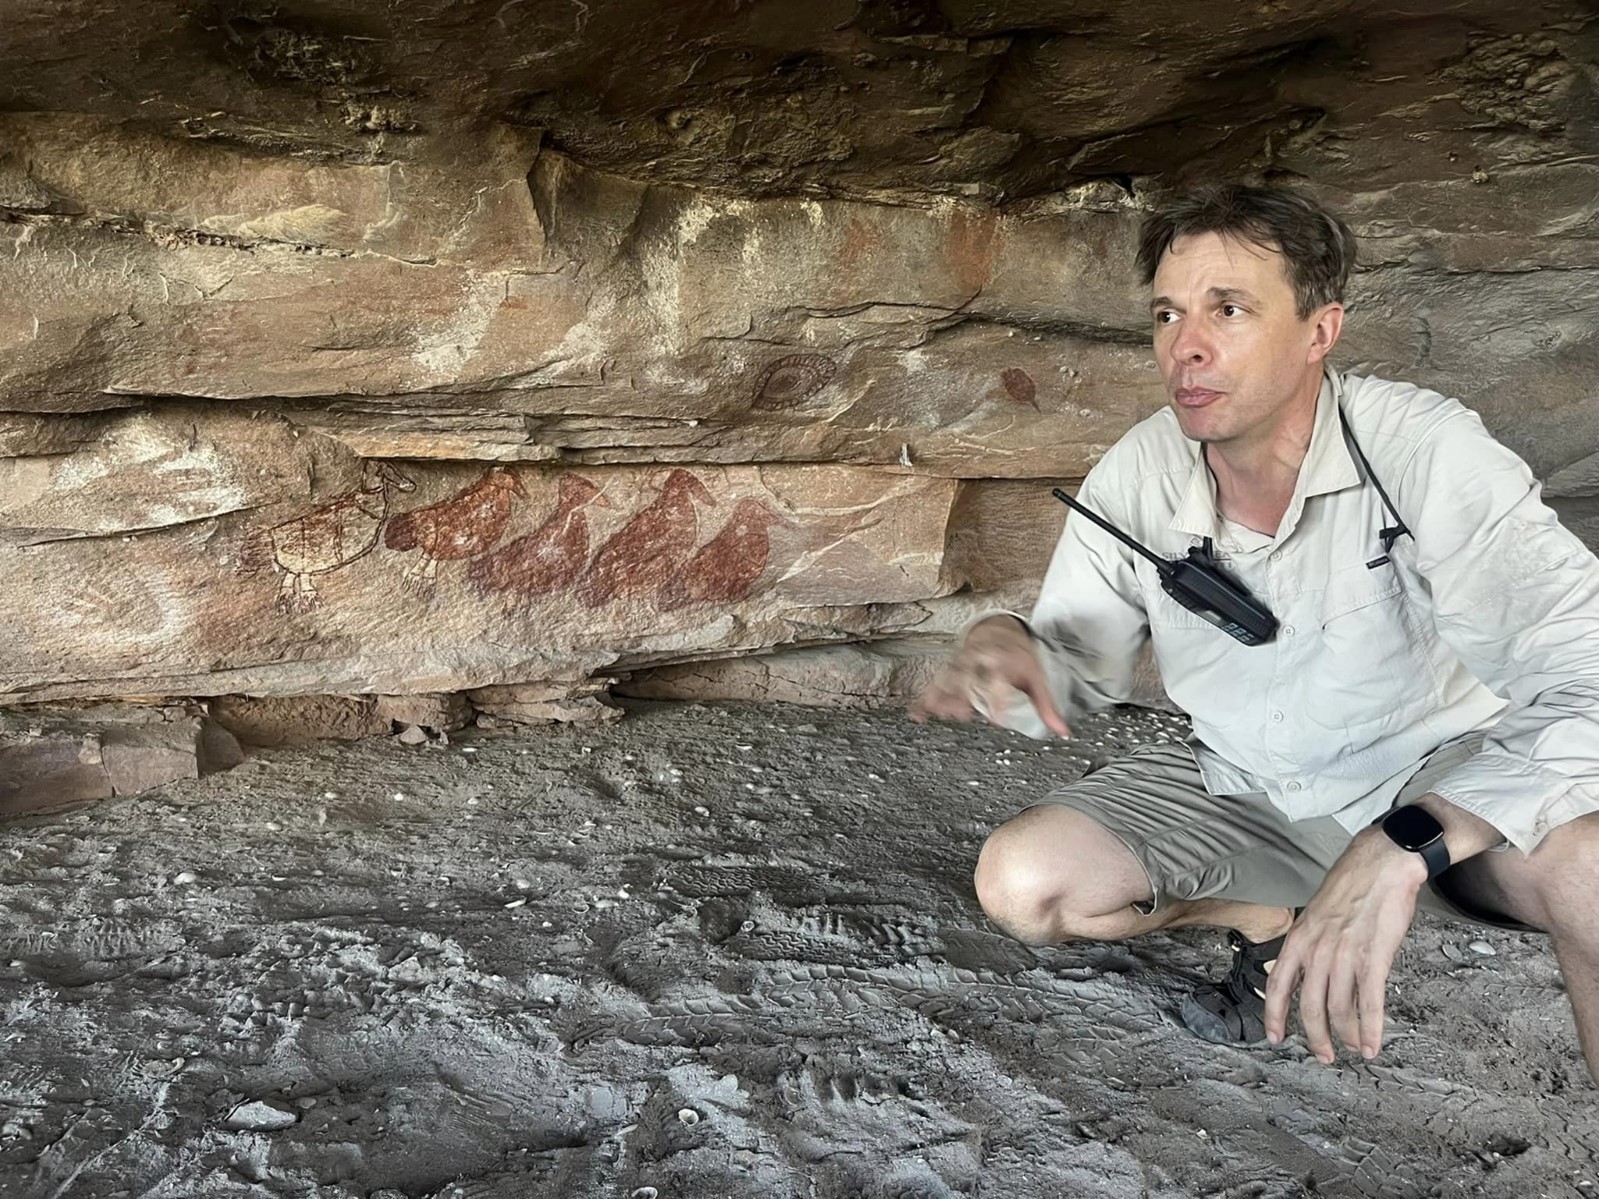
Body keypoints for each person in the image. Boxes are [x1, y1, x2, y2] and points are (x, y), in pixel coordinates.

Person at [911, 183, 1599, 1079]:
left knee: (1592, 869)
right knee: (1026, 882)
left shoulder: (1422, 449)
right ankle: (1273, 916)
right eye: (1167, 313)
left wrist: (1406, 841)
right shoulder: (1138, 471)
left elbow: (1584, 671)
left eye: (1227, 309)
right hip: (1245, 775)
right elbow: (1074, 680)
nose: (1184, 347)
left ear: (1320, 331)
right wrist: (1008, 645)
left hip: (1436, 777)